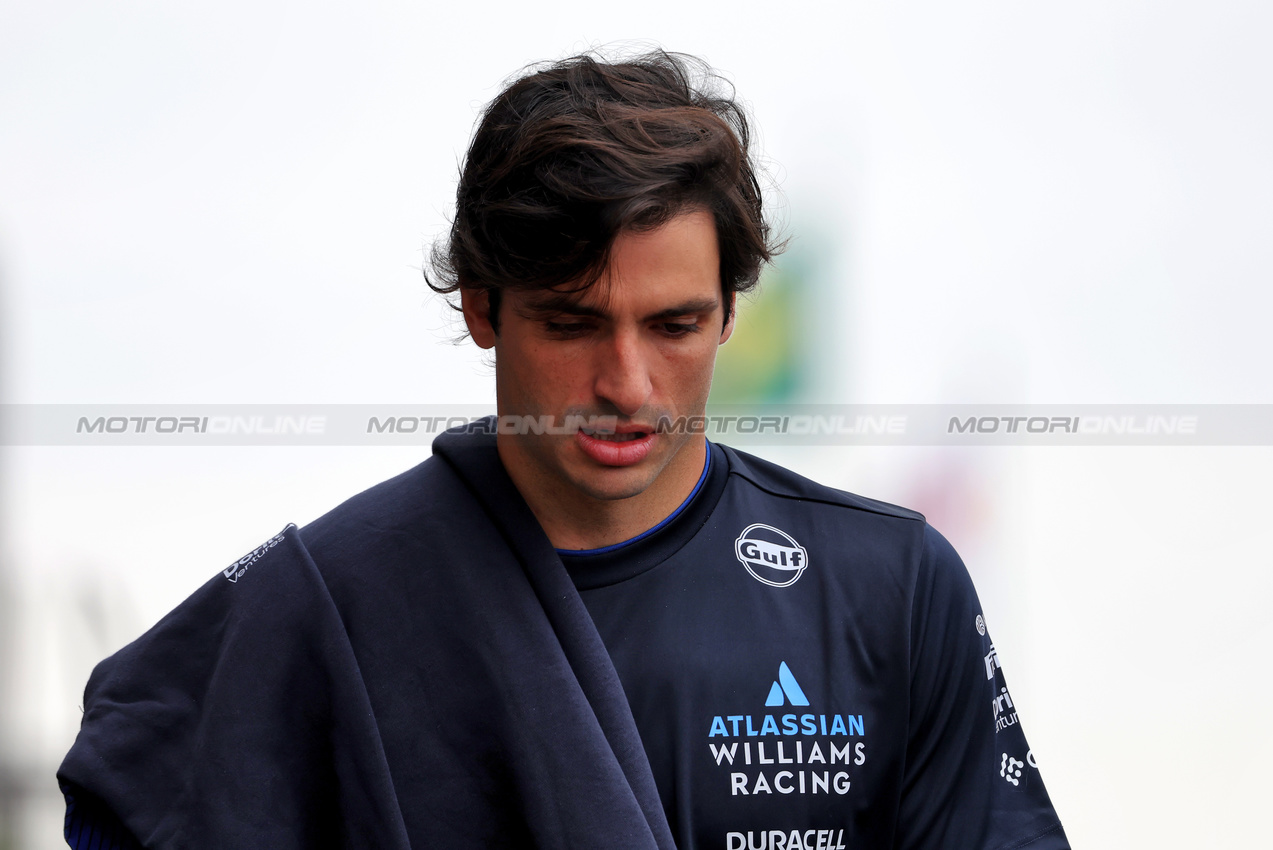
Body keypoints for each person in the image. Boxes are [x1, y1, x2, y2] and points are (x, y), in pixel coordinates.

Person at [58, 50, 1069, 849]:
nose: (627, 384)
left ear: (728, 315)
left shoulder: (891, 587)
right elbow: (133, 784)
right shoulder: (327, 598)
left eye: (673, 326)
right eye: (574, 324)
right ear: (482, 307)